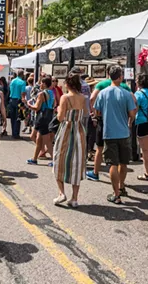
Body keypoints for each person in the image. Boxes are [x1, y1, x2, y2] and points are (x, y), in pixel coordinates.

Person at [94, 65, 136, 204]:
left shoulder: (103, 93)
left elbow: (97, 111)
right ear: (120, 77)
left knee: (112, 163)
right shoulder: (126, 93)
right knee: (123, 162)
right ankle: (121, 186)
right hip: (124, 132)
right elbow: (132, 113)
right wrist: (129, 121)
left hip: (109, 132)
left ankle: (116, 193)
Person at [52, 73, 88, 208]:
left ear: (68, 84)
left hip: (67, 129)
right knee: (77, 162)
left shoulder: (65, 97)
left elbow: (60, 118)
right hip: (79, 129)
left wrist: (59, 110)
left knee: (59, 160)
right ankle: (74, 198)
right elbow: (84, 113)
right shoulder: (82, 97)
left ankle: (61, 193)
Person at [86, 76, 132, 181]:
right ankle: (121, 183)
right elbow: (134, 101)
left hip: (104, 121)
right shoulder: (124, 86)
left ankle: (95, 172)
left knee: (100, 148)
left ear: (108, 74)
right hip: (121, 123)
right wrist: (130, 119)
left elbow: (92, 98)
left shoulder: (102, 85)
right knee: (121, 156)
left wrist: (95, 114)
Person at [27, 77, 56, 165]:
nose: (40, 85)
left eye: (41, 83)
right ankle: (34, 159)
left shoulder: (41, 94)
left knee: (47, 141)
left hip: (42, 117)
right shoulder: (51, 93)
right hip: (49, 116)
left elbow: (36, 107)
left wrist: (28, 104)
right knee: (39, 139)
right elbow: (54, 104)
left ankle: (54, 160)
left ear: (44, 84)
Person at [8, 70, 28, 139]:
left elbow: (10, 90)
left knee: (12, 117)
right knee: (18, 117)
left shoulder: (12, 81)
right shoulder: (23, 82)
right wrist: (24, 101)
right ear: (22, 75)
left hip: (11, 99)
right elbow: (23, 93)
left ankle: (13, 132)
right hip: (18, 100)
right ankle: (16, 134)